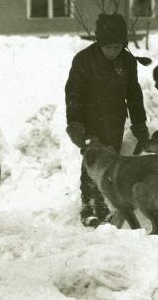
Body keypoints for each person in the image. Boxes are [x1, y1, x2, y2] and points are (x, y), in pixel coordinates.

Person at [65, 13, 149, 227]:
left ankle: (102, 205)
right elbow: (73, 93)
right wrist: (75, 123)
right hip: (88, 120)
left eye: (117, 46)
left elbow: (133, 93)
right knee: (91, 162)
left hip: (114, 119)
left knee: (110, 162)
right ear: (99, 43)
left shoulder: (128, 61)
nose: (113, 51)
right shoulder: (84, 60)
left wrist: (139, 124)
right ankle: (87, 206)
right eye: (108, 47)